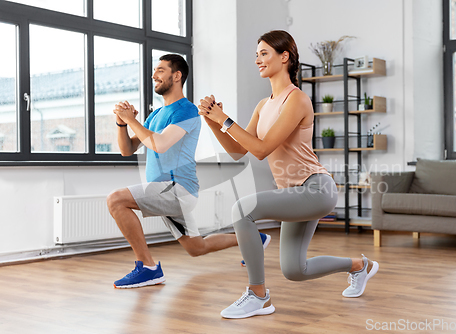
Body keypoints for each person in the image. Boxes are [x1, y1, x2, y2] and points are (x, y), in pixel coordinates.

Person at [198, 30, 379, 318]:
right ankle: (360, 265)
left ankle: (258, 295)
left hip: (316, 188)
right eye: (256, 54)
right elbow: (238, 151)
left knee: (242, 209)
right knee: (295, 270)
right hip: (293, 193)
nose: (258, 59)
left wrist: (225, 119)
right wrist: (212, 121)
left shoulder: (296, 100)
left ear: (284, 57)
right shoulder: (263, 105)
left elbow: (261, 149)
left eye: (264, 53)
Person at [107, 54, 271, 289]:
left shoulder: (186, 110)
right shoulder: (155, 115)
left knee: (115, 200)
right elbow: (127, 149)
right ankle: (252, 238)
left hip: (176, 190)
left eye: (160, 70)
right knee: (197, 248)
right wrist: (122, 123)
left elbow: (160, 144)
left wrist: (132, 120)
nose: (154, 75)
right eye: (155, 70)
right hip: (165, 191)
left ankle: (148, 268)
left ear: (177, 76)